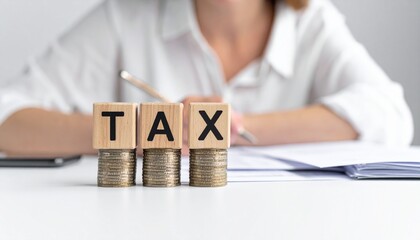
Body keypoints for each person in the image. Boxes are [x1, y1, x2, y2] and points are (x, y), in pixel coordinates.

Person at [0, 0, 413, 156]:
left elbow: (391, 117)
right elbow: (7, 118)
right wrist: (142, 129)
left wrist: (230, 127)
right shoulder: (125, 17)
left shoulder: (313, 24)